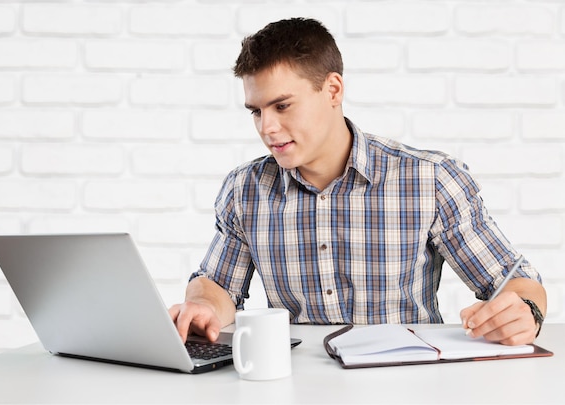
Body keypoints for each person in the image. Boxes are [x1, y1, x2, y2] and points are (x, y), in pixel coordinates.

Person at [168, 17, 547, 346]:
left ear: (333, 90)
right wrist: (201, 307)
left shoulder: (429, 179)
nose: (267, 128)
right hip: (297, 385)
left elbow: (517, 284)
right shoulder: (245, 190)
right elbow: (217, 285)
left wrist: (524, 311)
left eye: (282, 106)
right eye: (256, 111)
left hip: (407, 381)